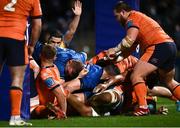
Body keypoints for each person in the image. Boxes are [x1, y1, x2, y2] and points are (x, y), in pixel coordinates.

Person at [106, 1, 180, 116]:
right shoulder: (139, 18)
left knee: (136, 75)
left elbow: (128, 41)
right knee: (169, 82)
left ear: (123, 12)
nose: (117, 19)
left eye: (116, 16)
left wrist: (114, 50)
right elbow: (131, 47)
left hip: (157, 46)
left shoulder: (132, 18)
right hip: (170, 46)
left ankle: (143, 108)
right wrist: (117, 58)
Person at [0, 0, 42, 126]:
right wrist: (32, 45)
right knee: (17, 79)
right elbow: (37, 24)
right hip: (16, 39)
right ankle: (15, 117)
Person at [31, 44, 67, 119]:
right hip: (54, 103)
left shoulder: (45, 74)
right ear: (55, 57)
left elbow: (60, 94)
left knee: (35, 111)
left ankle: (52, 111)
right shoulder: (55, 67)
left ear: (40, 55)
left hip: (44, 105)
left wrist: (63, 112)